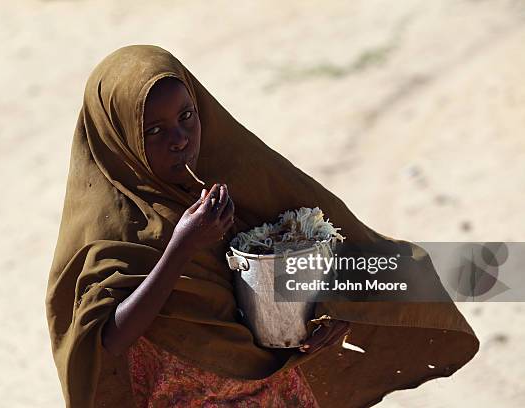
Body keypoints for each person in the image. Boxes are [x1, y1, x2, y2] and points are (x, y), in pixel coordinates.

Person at [45, 45, 479, 408]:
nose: (179, 139)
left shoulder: (234, 191)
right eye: (154, 130)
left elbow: (285, 285)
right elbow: (104, 341)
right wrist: (181, 247)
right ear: (118, 137)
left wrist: (317, 321)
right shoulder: (116, 230)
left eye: (188, 117)